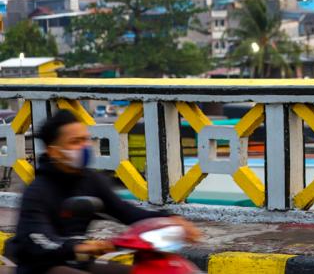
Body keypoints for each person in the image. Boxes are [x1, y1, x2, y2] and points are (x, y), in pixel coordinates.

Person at [8, 109, 200, 274]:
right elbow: (38, 239)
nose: (84, 146)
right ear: (54, 151)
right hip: (42, 268)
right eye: (75, 142)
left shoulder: (91, 180)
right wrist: (78, 246)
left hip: (79, 261)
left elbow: (127, 212)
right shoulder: (37, 191)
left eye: (86, 140)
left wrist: (169, 219)